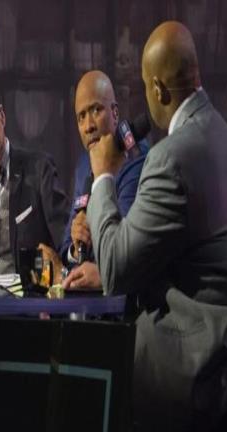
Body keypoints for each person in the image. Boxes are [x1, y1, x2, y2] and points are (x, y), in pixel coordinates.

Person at [66, 21, 227, 432]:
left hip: (191, 363)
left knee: (80, 376)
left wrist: (103, 176)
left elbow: (116, 271)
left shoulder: (169, 158)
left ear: (158, 90)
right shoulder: (222, 134)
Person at [40, 71, 148, 287]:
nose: (88, 125)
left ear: (115, 113)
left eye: (96, 110)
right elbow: (67, 246)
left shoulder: (136, 158)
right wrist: (74, 249)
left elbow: (122, 245)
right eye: (81, 117)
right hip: (88, 295)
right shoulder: (83, 165)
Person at [0, 83, 69, 274]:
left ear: (2, 117)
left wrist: (71, 260)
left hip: (27, 291)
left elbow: (65, 240)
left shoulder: (39, 170)